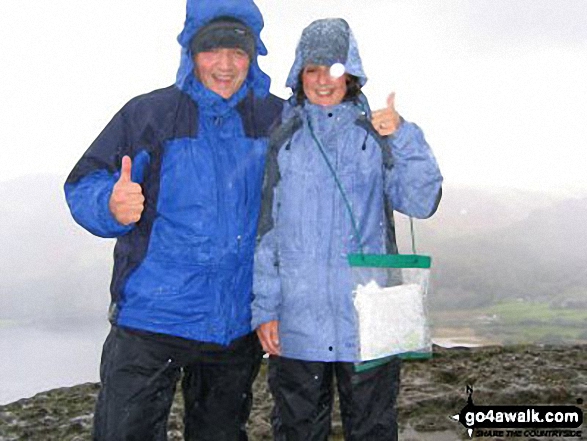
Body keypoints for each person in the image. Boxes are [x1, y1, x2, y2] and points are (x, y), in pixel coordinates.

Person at [63, 1, 284, 439]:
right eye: (211, 51)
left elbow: (332, 138)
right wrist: (109, 203)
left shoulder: (275, 119)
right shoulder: (150, 114)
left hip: (234, 322)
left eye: (238, 52)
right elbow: (85, 181)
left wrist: (377, 122)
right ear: (191, 53)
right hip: (152, 319)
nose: (225, 65)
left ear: (253, 55)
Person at [252, 18, 443, 440]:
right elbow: (268, 233)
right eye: (313, 70)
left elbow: (421, 200)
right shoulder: (284, 140)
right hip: (298, 326)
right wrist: (265, 308)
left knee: (373, 430)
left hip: (369, 321)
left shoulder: (375, 136)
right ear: (299, 75)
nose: (323, 81)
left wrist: (404, 136)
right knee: (297, 432)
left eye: (334, 69)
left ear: (351, 73)